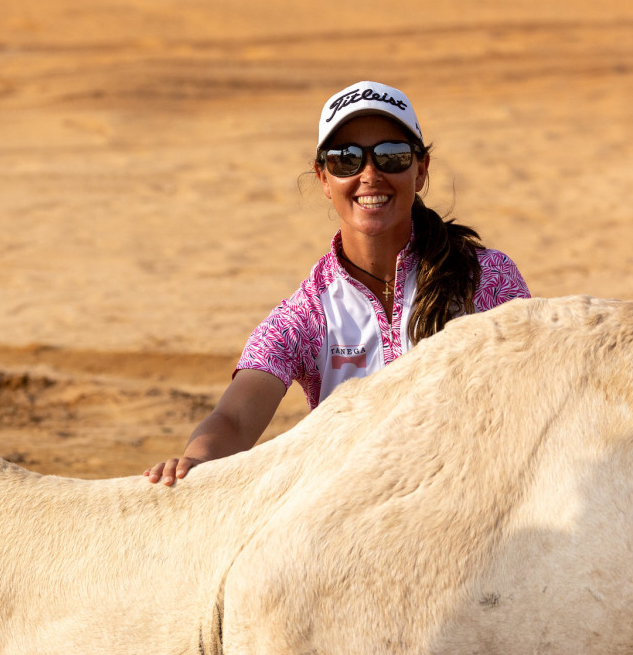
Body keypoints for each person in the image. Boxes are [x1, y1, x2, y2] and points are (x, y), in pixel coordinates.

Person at [145, 80, 530, 486]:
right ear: (324, 179)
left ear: (420, 170)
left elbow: (530, 400)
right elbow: (234, 418)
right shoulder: (306, 314)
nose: (370, 175)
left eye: (391, 156)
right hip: (351, 516)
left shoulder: (487, 279)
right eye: (346, 159)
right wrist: (195, 461)